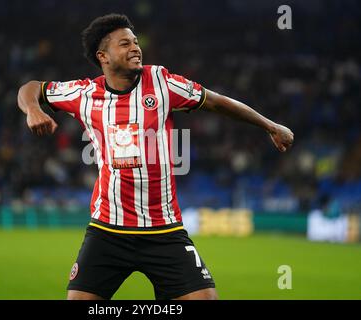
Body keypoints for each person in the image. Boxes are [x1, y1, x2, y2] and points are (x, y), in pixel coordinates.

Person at [17, 13, 294, 300]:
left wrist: (269, 125)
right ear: (104, 56)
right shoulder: (84, 94)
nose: (135, 48)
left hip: (164, 229)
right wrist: (33, 110)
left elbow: (215, 101)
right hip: (108, 230)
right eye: (125, 44)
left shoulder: (161, 82)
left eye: (136, 42)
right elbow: (30, 88)